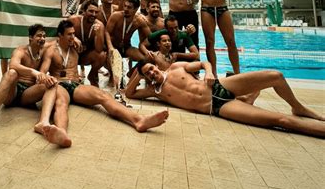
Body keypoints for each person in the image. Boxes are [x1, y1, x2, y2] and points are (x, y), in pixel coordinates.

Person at [126, 60, 325, 138]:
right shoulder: (156, 91)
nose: (152, 73)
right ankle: (247, 100)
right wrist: (138, 73)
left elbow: (204, 63)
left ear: (156, 65)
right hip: (218, 107)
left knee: (275, 76)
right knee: (280, 121)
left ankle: (298, 107)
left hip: (220, 86)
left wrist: (209, 73)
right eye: (147, 74)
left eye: (151, 68)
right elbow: (129, 93)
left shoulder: (177, 67)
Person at [37, 20, 169, 137]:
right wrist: (48, 79)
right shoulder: (51, 50)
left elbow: (98, 48)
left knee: (103, 95)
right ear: (60, 35)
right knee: (61, 104)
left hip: (76, 86)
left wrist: (79, 38)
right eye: (69, 34)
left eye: (74, 34)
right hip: (60, 85)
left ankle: (138, 120)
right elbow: (42, 73)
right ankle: (61, 132)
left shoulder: (75, 46)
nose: (73, 37)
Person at [0, 24, 71, 147]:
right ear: (30, 38)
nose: (42, 38)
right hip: (12, 93)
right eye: (38, 36)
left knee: (52, 82)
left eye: (43, 36)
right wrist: (34, 72)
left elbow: (58, 40)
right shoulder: (21, 51)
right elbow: (14, 65)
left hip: (27, 94)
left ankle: (43, 122)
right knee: (11, 73)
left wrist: (75, 39)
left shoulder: (43, 50)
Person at [190, 0, 239, 76]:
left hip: (222, 7)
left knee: (231, 41)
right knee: (210, 42)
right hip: (207, 9)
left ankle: (237, 72)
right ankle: (214, 74)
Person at [68, 0, 106, 87]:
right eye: (91, 11)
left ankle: (92, 75)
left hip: (86, 56)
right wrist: (73, 38)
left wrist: (98, 35)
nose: (94, 14)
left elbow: (99, 49)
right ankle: (73, 75)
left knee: (102, 55)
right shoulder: (73, 20)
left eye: (96, 12)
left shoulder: (99, 25)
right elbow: (61, 36)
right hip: (71, 54)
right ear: (84, 11)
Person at [105, 0, 151, 64]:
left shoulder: (139, 21)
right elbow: (107, 32)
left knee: (144, 59)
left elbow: (150, 36)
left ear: (136, 9)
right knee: (114, 66)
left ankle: (131, 73)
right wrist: (110, 47)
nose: (126, 9)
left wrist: (143, 45)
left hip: (126, 47)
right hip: (114, 46)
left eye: (129, 7)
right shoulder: (116, 16)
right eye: (125, 6)